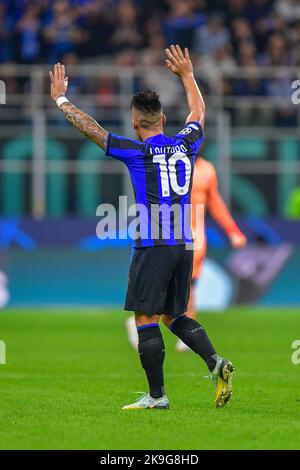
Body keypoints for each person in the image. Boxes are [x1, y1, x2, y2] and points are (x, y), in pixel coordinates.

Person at [49, 45, 234, 410]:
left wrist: (60, 100)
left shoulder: (136, 151)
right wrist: (187, 75)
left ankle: (157, 396)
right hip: (185, 243)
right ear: (164, 121)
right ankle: (216, 363)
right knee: (174, 315)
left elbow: (94, 131)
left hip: (154, 243)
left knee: (145, 318)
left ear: (136, 124)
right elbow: (199, 112)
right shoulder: (187, 143)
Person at [126, 156, 247, 352]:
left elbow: (215, 202)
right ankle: (150, 318)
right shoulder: (168, 164)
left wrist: (232, 230)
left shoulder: (207, 169)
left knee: (190, 283)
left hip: (196, 234)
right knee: (181, 282)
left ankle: (177, 328)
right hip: (171, 233)